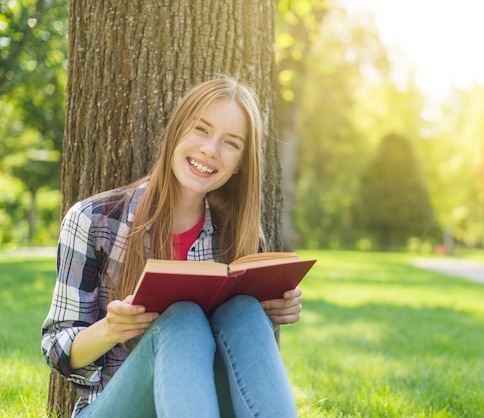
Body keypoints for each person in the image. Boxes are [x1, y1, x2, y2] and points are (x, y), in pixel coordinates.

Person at [41, 75, 302, 418]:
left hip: (205, 404)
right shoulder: (94, 220)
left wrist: (273, 314)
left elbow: (239, 358)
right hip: (113, 406)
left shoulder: (240, 236)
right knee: (183, 319)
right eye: (201, 129)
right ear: (176, 129)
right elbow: (56, 348)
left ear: (240, 164)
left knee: (245, 312)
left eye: (231, 143)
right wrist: (110, 329)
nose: (210, 149)